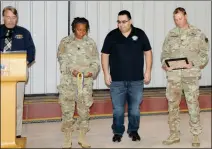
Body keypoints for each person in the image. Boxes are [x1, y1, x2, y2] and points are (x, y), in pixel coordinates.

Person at [101, 10, 153, 142]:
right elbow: (104, 55)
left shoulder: (140, 34)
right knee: (118, 109)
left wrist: (148, 71)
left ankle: (133, 130)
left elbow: (148, 52)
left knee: (134, 109)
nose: (121, 24)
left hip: (136, 80)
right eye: (118, 22)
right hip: (117, 80)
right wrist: (106, 73)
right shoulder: (112, 36)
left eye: (124, 22)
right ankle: (118, 131)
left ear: (130, 21)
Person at [160, 7, 209, 147]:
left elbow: (205, 56)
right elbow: (164, 54)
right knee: (172, 106)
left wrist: (193, 63)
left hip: (190, 76)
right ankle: (174, 134)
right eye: (175, 19)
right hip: (174, 77)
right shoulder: (171, 35)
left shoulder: (198, 34)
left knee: (193, 105)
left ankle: (195, 135)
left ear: (186, 16)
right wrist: (165, 64)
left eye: (180, 18)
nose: (178, 21)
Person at [57, 17, 100, 148]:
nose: (81, 32)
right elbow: (62, 60)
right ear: (73, 29)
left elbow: (96, 62)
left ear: (87, 30)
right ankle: (67, 137)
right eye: (78, 30)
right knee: (67, 109)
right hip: (68, 82)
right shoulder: (65, 42)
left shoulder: (91, 43)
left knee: (84, 110)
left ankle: (82, 136)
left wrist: (91, 71)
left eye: (84, 30)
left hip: (85, 83)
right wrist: (72, 70)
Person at [0, 6, 36, 138]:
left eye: (13, 17)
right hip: (1, 73)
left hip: (17, 74)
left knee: (17, 104)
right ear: (3, 17)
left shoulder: (24, 33)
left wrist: (22, 64)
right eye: (8, 17)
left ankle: (17, 132)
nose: (10, 20)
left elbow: (31, 52)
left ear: (17, 18)